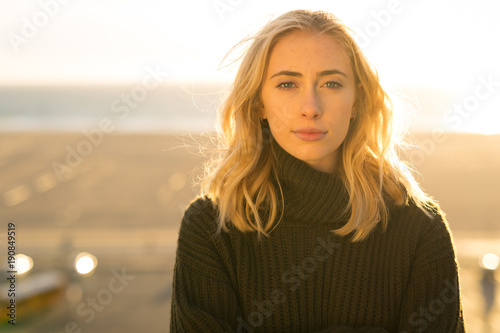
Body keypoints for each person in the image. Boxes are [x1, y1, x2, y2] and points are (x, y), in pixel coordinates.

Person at [170, 9, 466, 332]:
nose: (310, 107)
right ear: (258, 104)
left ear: (358, 101)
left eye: (331, 83)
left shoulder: (420, 230)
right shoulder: (211, 230)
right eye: (287, 84)